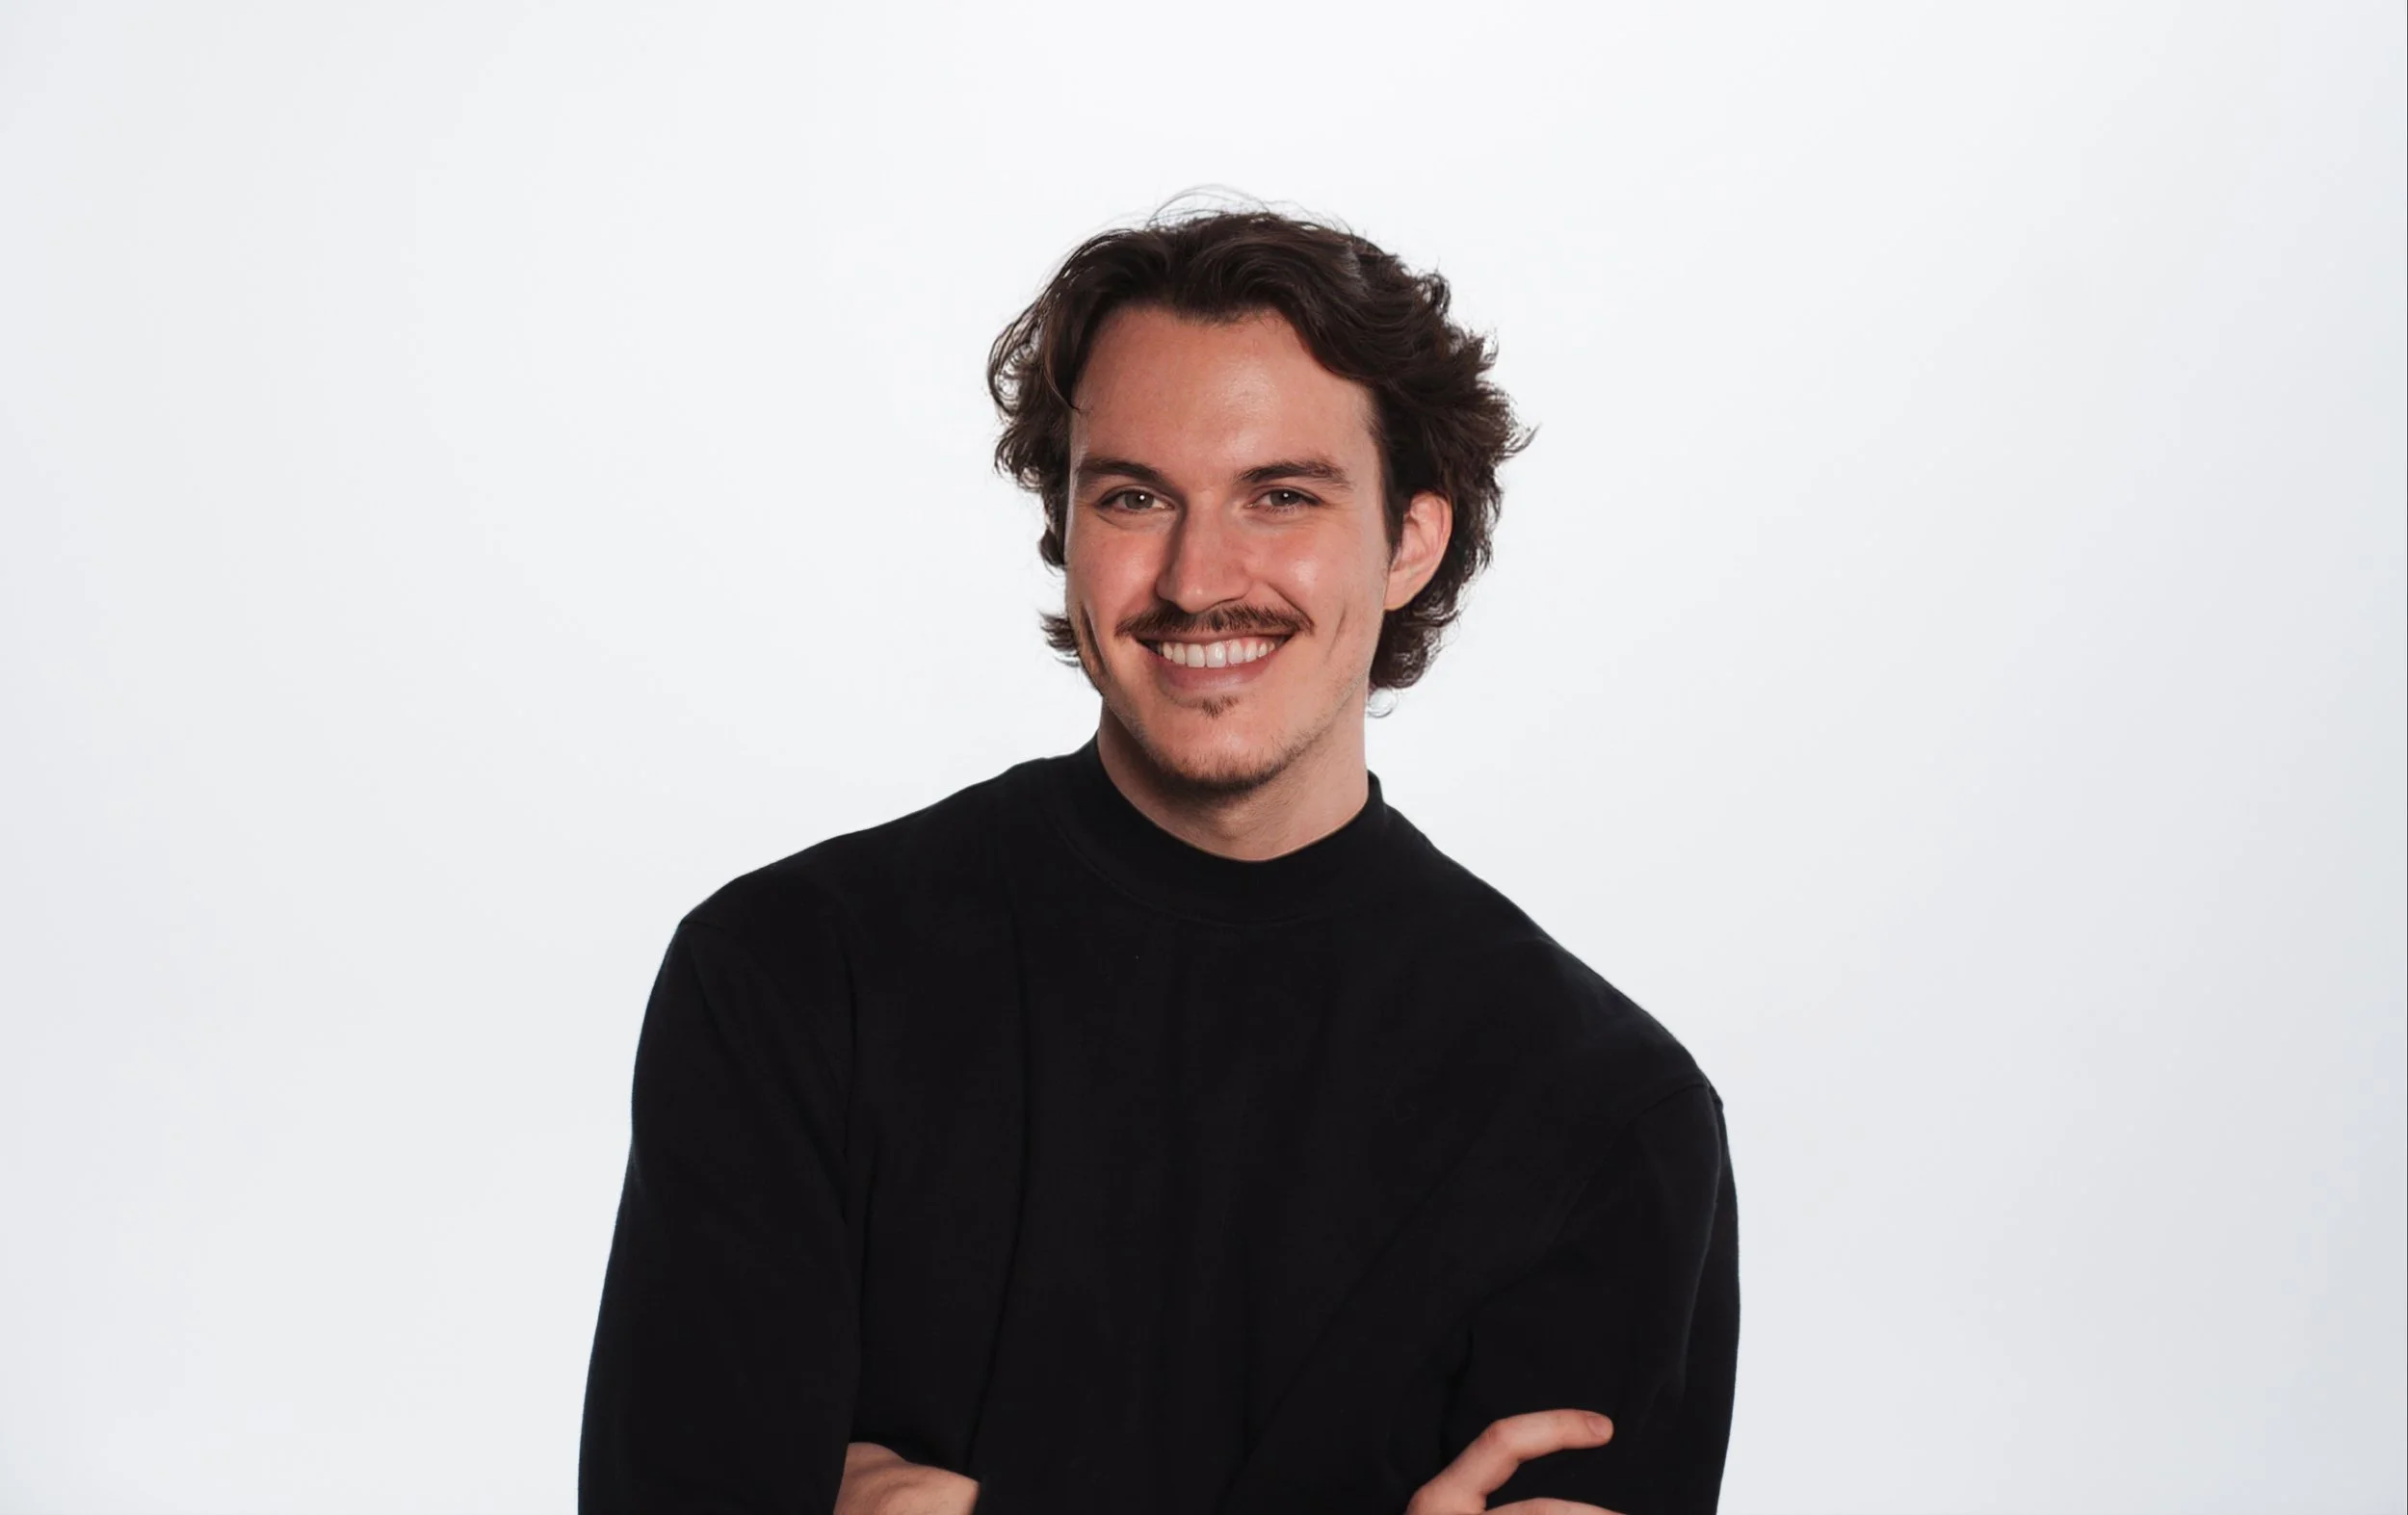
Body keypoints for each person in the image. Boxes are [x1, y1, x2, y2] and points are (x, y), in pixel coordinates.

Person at [577, 207, 1739, 1515]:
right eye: (1133, 498)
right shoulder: (795, 981)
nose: (1197, 580)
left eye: (1281, 496)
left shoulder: (1603, 1118)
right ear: (1065, 528)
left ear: (1412, 538)